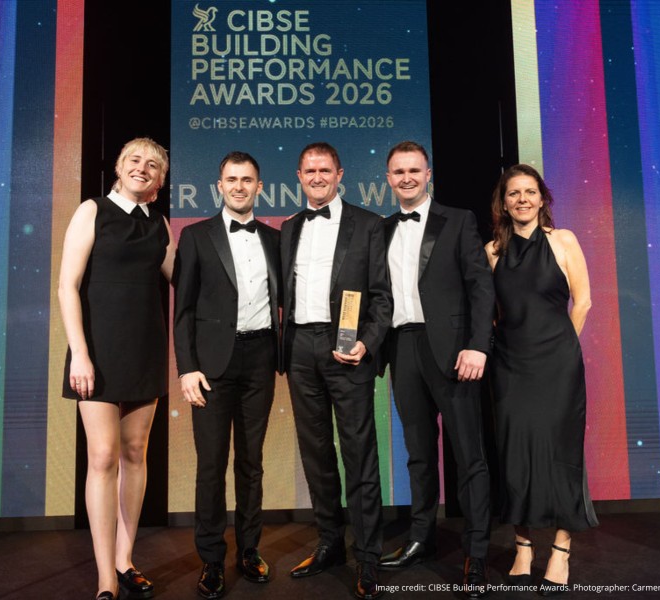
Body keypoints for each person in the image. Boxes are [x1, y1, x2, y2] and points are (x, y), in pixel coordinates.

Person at [377, 141, 495, 598]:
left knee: (469, 454)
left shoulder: (459, 220)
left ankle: (476, 552)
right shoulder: (382, 229)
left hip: (453, 352)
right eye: (398, 171)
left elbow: (480, 287)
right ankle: (421, 539)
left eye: (414, 170)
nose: (406, 178)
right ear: (388, 179)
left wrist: (477, 346)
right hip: (402, 347)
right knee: (418, 454)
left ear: (428, 174)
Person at [58, 137, 175, 600]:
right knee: (103, 456)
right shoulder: (93, 211)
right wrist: (80, 353)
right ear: (119, 167)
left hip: (145, 350)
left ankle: (126, 560)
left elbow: (185, 278)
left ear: (160, 180)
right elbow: (67, 286)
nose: (142, 168)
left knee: (135, 453)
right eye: (134, 160)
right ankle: (105, 577)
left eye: (152, 165)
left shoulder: (158, 224)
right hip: (98, 353)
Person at [280, 142, 392, 600]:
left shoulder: (368, 224)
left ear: (340, 174)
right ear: (299, 176)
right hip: (299, 347)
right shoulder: (289, 227)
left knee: (358, 452)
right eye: (309, 171)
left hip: (347, 347)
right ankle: (330, 542)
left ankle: (368, 555)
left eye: (325, 170)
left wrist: (367, 341)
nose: (317, 177)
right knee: (316, 453)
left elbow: (383, 297)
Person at [485, 164, 598, 597]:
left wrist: (562, 348)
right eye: (514, 193)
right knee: (515, 455)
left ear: (542, 198)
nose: (522, 199)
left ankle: (561, 551)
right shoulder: (491, 250)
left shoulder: (563, 240)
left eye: (530, 192)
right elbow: (490, 311)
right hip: (510, 367)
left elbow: (583, 301)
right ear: (504, 202)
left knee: (561, 455)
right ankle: (523, 547)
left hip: (558, 364)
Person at [173, 151, 281, 599]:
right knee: (211, 464)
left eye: (247, 179)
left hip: (260, 359)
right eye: (232, 179)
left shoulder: (274, 239)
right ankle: (212, 559)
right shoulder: (196, 236)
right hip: (211, 366)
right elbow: (183, 311)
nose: (239, 186)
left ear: (259, 187)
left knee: (251, 462)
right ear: (219, 185)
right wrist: (187, 368)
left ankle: (250, 549)